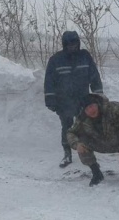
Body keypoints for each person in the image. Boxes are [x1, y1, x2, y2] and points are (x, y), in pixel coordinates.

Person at [44, 31, 103, 168]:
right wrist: (50, 100)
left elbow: (94, 76)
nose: (72, 46)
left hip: (83, 99)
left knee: (86, 125)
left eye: (74, 43)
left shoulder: (85, 57)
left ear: (78, 43)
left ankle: (87, 153)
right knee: (67, 127)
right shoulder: (56, 60)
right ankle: (67, 153)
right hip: (63, 101)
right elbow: (49, 82)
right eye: (69, 44)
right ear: (64, 45)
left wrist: (98, 94)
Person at [67, 93, 119, 186]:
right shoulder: (82, 118)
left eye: (92, 106)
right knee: (81, 143)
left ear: (97, 104)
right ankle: (96, 173)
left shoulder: (114, 109)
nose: (90, 111)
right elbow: (70, 132)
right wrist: (76, 144)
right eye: (87, 109)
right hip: (99, 143)